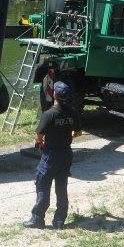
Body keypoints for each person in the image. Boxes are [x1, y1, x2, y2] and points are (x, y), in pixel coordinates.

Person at [23, 81, 80, 229]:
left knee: (42, 186)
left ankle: (37, 219)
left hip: (51, 156)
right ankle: (59, 221)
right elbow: (78, 132)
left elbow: (40, 135)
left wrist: (39, 142)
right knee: (61, 188)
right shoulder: (73, 113)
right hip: (66, 154)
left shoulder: (48, 115)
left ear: (54, 94)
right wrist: (67, 136)